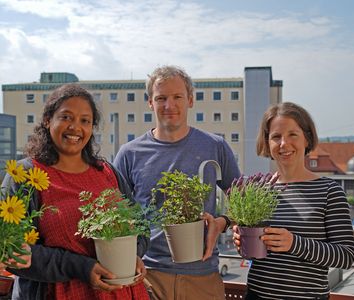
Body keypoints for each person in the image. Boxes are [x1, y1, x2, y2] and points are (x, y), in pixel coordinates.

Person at [2, 84, 149, 300]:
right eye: (66, 117)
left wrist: (132, 254)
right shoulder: (25, 175)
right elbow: (10, 249)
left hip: (123, 292)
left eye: (85, 121)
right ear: (47, 120)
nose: (75, 127)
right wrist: (81, 267)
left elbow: (141, 228)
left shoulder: (108, 173)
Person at [114, 65, 241, 300]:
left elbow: (243, 201)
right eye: (161, 98)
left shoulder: (215, 147)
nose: (169, 105)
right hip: (147, 276)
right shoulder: (129, 153)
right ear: (150, 102)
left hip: (202, 277)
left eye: (177, 97)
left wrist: (223, 222)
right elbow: (115, 213)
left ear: (190, 100)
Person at [233, 102, 354, 299]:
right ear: (267, 143)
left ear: (306, 139)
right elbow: (255, 254)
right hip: (257, 295)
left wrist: (294, 243)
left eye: (292, 135)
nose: (284, 144)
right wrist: (242, 244)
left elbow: (346, 256)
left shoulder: (329, 191)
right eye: (276, 137)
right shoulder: (258, 191)